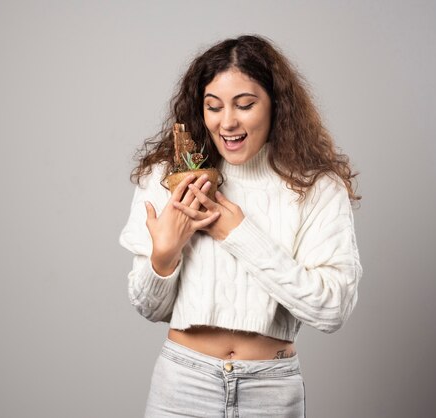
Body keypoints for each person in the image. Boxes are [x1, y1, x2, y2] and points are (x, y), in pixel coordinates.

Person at [119, 35, 362, 418]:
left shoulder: (315, 187)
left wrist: (237, 233)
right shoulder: (169, 177)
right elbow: (149, 308)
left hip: (271, 390)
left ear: (275, 105)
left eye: (245, 105)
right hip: (183, 385)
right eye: (213, 107)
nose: (227, 122)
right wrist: (163, 256)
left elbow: (331, 309)